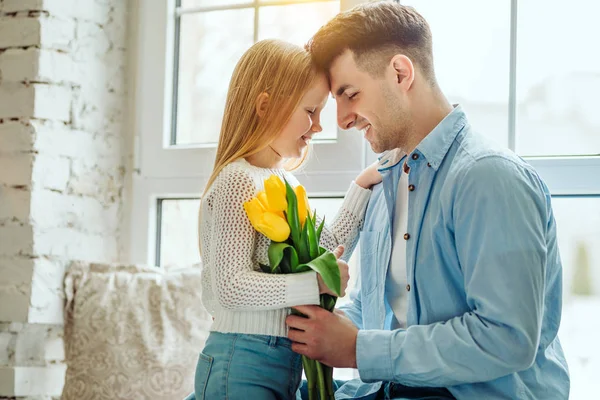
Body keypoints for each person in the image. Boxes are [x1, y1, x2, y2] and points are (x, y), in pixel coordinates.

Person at [286, 2, 570, 399]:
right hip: (392, 389)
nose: (343, 120)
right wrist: (309, 327)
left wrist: (356, 348)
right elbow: (383, 313)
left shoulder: (488, 177)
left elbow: (508, 338)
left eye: (349, 95)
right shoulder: (384, 183)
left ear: (401, 74)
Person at [186, 39, 381, 400]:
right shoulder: (237, 180)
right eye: (311, 111)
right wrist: (315, 285)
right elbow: (230, 287)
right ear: (265, 106)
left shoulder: (283, 182)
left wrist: (361, 188)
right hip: (241, 357)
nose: (319, 126)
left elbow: (320, 251)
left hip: (279, 360)